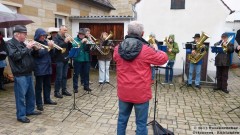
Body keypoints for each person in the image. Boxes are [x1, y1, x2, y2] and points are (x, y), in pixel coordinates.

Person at [113, 21, 168, 135]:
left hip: (124, 92)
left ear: (127, 32)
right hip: (140, 93)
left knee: (122, 120)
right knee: (141, 123)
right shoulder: (146, 50)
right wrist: (156, 49)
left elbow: (115, 58)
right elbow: (163, 59)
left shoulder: (117, 48)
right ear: (142, 34)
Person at [6, 25, 41, 123]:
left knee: (30, 94)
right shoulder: (10, 43)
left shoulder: (23, 43)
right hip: (20, 73)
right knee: (20, 96)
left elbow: (31, 56)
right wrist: (27, 47)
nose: (26, 35)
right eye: (24, 34)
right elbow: (15, 56)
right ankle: (21, 115)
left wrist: (35, 50)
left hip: (29, 72)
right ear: (18, 34)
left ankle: (30, 110)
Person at [33, 28, 57, 111]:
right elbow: (38, 54)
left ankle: (47, 100)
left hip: (48, 67)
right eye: (42, 36)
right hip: (39, 67)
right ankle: (39, 103)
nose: (44, 37)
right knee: (39, 87)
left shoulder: (46, 43)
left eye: (44, 36)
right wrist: (48, 48)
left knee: (47, 85)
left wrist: (52, 48)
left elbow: (52, 55)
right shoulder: (35, 44)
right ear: (38, 36)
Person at [53, 25, 72, 98]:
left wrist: (70, 42)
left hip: (66, 58)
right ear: (60, 30)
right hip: (59, 59)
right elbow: (57, 47)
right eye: (64, 30)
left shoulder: (65, 37)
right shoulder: (56, 38)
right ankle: (56, 92)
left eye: (66, 30)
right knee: (59, 76)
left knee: (65, 76)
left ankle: (64, 90)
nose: (66, 32)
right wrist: (65, 42)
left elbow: (69, 48)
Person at [72, 28, 92, 93]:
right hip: (78, 59)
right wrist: (81, 42)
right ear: (78, 34)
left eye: (82, 34)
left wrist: (89, 40)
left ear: (84, 35)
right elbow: (74, 45)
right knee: (76, 74)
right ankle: (75, 87)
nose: (81, 35)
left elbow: (92, 46)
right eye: (80, 34)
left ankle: (86, 86)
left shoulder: (87, 39)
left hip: (86, 59)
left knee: (86, 73)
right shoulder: (75, 39)